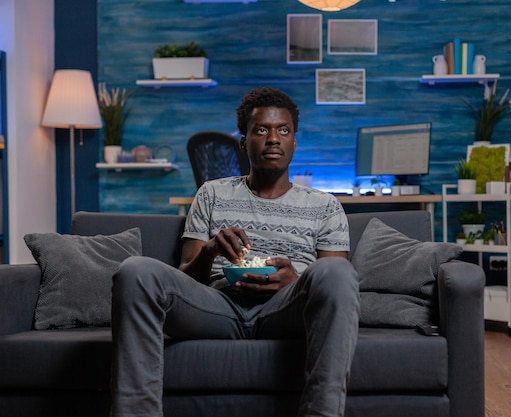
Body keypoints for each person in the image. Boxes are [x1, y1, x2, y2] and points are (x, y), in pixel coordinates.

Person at [109, 86, 360, 417]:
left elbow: (333, 286)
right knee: (135, 270)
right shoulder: (211, 193)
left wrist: (294, 281)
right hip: (217, 307)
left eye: (283, 130)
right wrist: (211, 250)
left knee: (340, 272)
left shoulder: (325, 206)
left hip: (286, 310)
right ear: (244, 141)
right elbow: (184, 277)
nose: (273, 139)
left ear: (294, 142)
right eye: (261, 130)